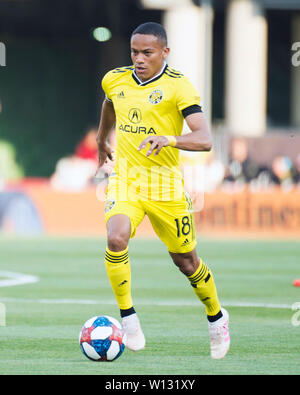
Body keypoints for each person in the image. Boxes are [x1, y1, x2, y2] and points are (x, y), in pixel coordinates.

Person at [96, 22, 230, 359]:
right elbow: (111, 103)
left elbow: (204, 138)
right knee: (116, 237)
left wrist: (169, 138)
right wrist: (102, 140)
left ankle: (216, 316)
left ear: (164, 53)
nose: (139, 59)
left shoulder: (179, 87)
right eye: (134, 52)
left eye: (147, 53)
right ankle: (128, 319)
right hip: (126, 179)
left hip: (166, 186)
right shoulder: (116, 79)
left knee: (186, 261)